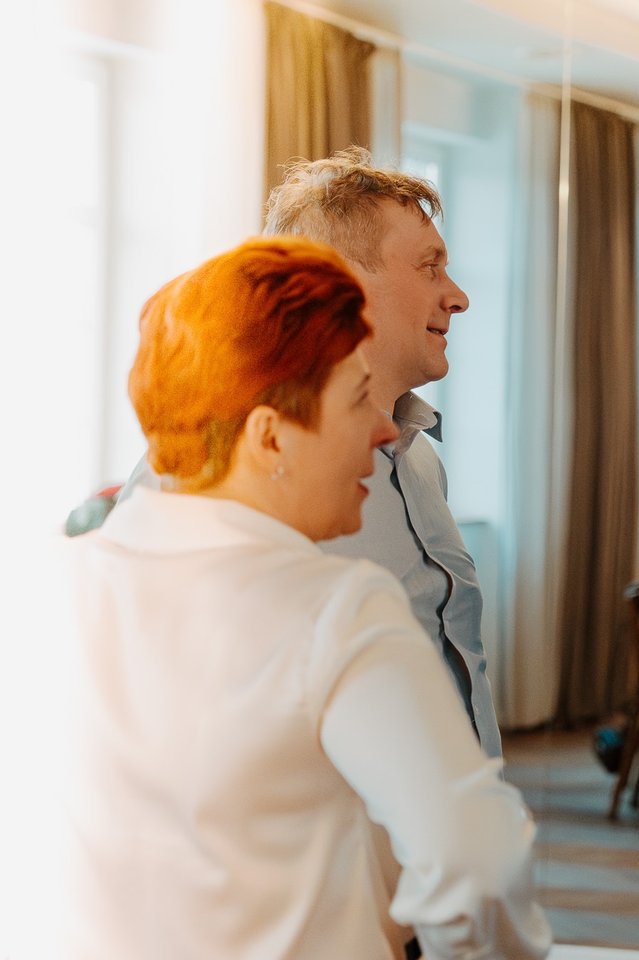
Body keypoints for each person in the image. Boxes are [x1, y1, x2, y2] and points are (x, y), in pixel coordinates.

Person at [61, 237, 550, 959]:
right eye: (356, 400)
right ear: (270, 438)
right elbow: (477, 862)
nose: (384, 429)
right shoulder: (338, 608)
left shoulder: (53, 584)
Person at [122, 148, 502, 758]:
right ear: (340, 282)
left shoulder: (423, 461)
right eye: (430, 268)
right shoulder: (221, 465)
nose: (458, 297)